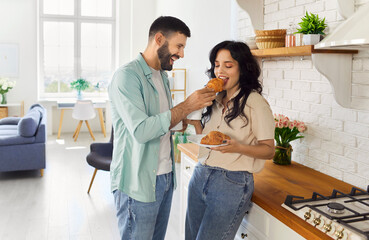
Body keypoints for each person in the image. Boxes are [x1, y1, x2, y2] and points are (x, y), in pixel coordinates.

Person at [108, 16, 216, 240]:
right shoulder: (127, 77)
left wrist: (188, 118)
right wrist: (187, 105)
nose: (182, 54)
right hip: (137, 182)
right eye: (179, 46)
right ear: (159, 39)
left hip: (165, 178)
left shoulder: (163, 77)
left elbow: (162, 121)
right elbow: (142, 131)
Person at [184, 40, 275, 240]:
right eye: (217, 65)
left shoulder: (255, 102)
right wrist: (195, 122)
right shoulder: (214, 99)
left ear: (243, 68)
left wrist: (238, 147)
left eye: (228, 65)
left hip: (231, 183)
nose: (220, 71)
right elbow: (208, 140)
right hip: (201, 174)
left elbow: (269, 150)